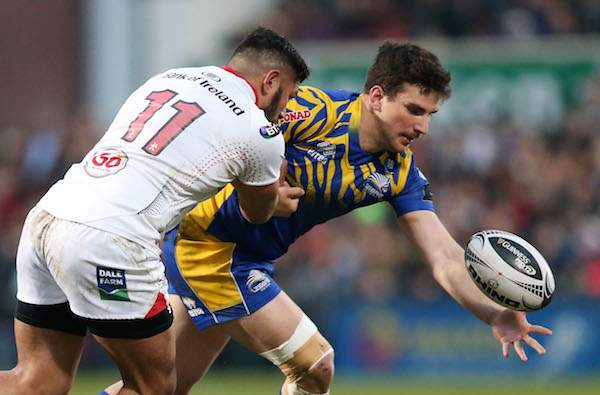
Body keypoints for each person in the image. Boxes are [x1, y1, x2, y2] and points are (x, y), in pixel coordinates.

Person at [105, 42, 553, 395]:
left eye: (430, 115)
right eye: (414, 110)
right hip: (210, 247)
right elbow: (250, 126)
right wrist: (268, 183)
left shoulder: (399, 174)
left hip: (247, 260)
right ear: (376, 97)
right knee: (315, 365)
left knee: (160, 387)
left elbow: (444, 258)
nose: (422, 127)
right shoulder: (315, 111)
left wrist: (493, 313)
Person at [0, 27, 309, 395]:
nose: (285, 110)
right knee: (154, 387)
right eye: (288, 97)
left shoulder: (170, 78)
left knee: (36, 381)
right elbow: (256, 213)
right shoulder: (259, 132)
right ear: (270, 81)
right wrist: (277, 199)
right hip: (112, 238)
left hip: (48, 216)